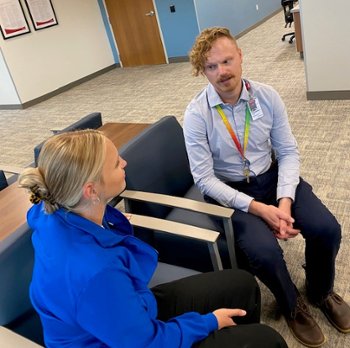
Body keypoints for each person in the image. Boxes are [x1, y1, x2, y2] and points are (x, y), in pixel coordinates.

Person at [18, 129, 287, 348]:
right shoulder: (94, 272)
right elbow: (145, 343)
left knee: (240, 283)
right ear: (91, 190)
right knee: (267, 341)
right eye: (115, 163)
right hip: (121, 337)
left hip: (124, 309)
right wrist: (209, 323)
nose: (124, 163)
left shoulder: (51, 207)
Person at [183, 27, 350, 348]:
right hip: (228, 190)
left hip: (272, 178)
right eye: (211, 67)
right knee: (264, 252)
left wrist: (284, 202)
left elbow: (287, 152)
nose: (222, 72)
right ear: (202, 71)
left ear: (240, 56)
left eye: (227, 61)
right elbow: (204, 179)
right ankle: (291, 303)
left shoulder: (267, 97)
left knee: (326, 228)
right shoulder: (196, 115)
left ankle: (320, 291)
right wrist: (259, 209)